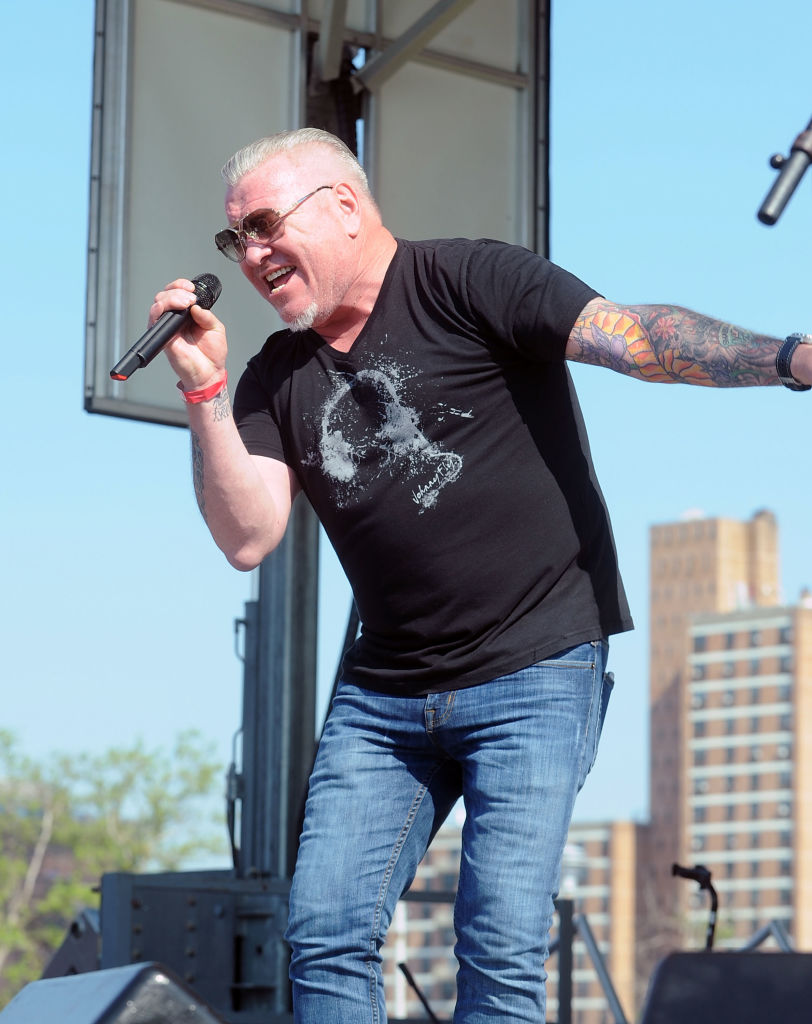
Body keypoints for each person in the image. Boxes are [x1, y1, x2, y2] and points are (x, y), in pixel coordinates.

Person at [150, 127, 811, 1023]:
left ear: (344, 206)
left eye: (266, 224)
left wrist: (789, 359)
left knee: (498, 947)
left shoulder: (471, 280)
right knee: (323, 931)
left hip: (535, 668)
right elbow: (247, 536)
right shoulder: (274, 375)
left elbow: (638, 342)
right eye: (238, 240)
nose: (254, 254)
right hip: (385, 697)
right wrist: (203, 395)